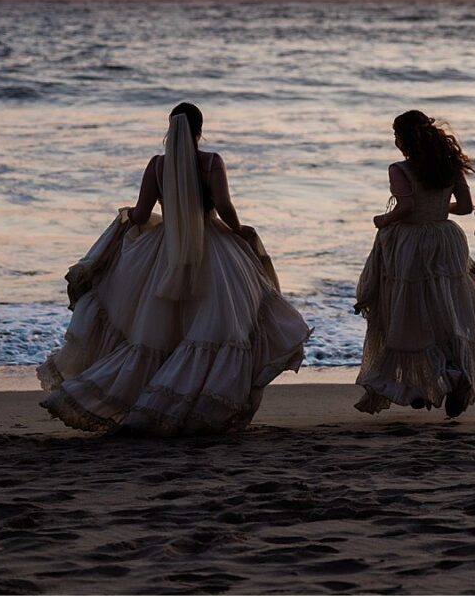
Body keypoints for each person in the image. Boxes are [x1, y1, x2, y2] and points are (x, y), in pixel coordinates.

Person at [39, 102, 310, 436]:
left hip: (164, 249)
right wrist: (240, 231)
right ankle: (200, 406)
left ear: (171, 128)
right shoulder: (211, 162)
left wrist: (126, 221)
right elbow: (224, 207)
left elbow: (141, 213)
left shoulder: (157, 165)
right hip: (212, 247)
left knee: (159, 330)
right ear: (199, 129)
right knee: (215, 326)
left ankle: (144, 402)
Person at [353, 110, 475, 417]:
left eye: (396, 136)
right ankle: (455, 375)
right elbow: (464, 207)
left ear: (403, 139)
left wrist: (383, 219)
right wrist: (438, 209)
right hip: (446, 239)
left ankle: (420, 383)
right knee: (447, 308)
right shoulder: (450, 165)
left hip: (412, 244)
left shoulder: (399, 169)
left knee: (412, 311)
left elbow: (407, 206)